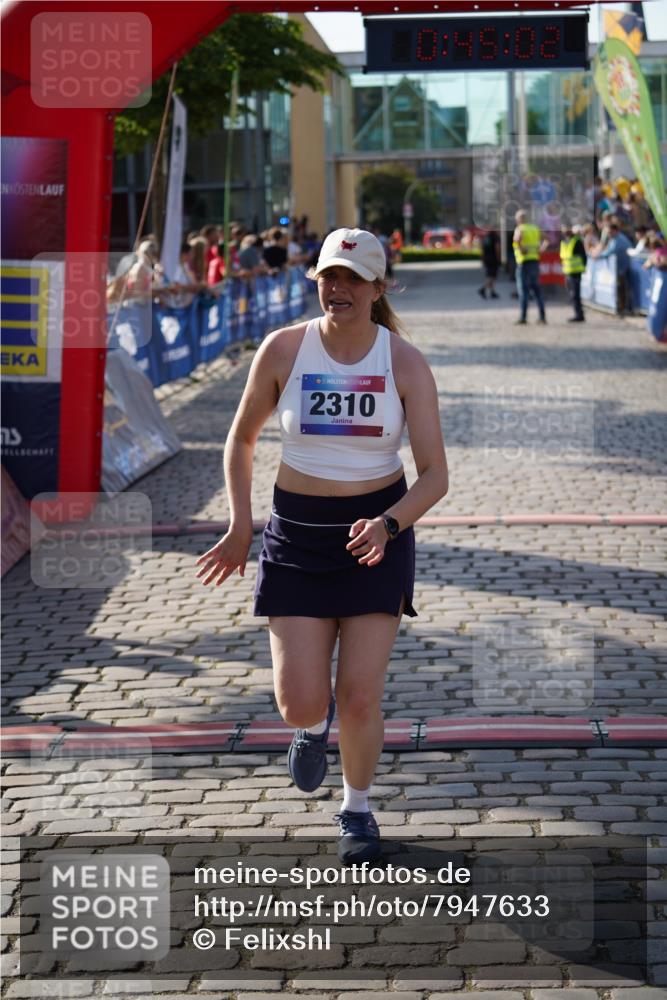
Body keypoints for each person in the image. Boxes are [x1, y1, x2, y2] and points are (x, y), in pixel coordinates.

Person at [195, 227, 448, 864]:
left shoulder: (404, 363)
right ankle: (310, 730)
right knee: (299, 699)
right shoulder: (284, 349)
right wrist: (240, 523)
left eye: (353, 279)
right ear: (317, 282)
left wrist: (389, 523)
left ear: (378, 288)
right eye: (329, 277)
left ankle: (356, 811)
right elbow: (242, 440)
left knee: (360, 693)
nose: (339, 289)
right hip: (296, 536)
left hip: (375, 538)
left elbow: (435, 475)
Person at [512, 210, 547, 325]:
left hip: (523, 263)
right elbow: (546, 239)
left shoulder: (520, 229)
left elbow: (516, 241)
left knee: (523, 291)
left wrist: (521, 249)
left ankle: (523, 317)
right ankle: (542, 317)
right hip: (535, 262)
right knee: (537, 290)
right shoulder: (535, 228)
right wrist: (541, 249)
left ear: (519, 219)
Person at [592, 221, 633, 314]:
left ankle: (624, 308)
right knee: (620, 288)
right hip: (619, 268)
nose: (608, 234)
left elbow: (610, 252)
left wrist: (598, 256)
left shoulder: (619, 240)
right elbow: (607, 249)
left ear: (615, 231)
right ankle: (622, 307)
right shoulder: (614, 239)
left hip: (623, 268)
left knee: (622, 289)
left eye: (610, 232)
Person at [559, 221, 587, 323]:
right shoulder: (564, 241)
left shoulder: (576, 241)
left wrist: (583, 267)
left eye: (566, 228)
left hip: (576, 272)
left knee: (575, 295)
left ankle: (579, 315)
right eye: (563, 229)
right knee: (572, 294)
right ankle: (578, 313)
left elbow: (583, 256)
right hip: (568, 272)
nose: (565, 231)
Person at [478, 228, 500, 299]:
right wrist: (498, 257)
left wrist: (482, 259)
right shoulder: (495, 237)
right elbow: (497, 248)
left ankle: (492, 292)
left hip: (486, 258)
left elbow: (481, 248)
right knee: (492, 276)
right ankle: (483, 289)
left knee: (489, 275)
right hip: (493, 258)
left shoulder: (486, 238)